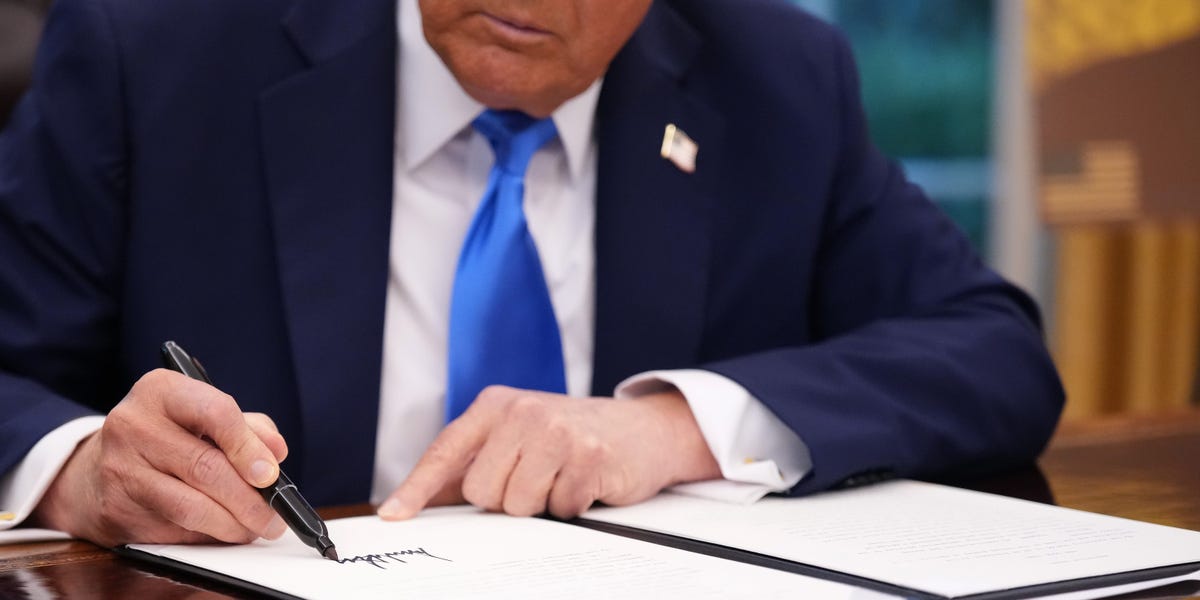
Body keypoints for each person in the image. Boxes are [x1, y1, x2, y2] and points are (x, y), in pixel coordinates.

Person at [0, 0, 1064, 549]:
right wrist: (82, 472)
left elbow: (995, 352)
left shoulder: (777, 78)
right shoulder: (158, 46)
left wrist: (670, 428)